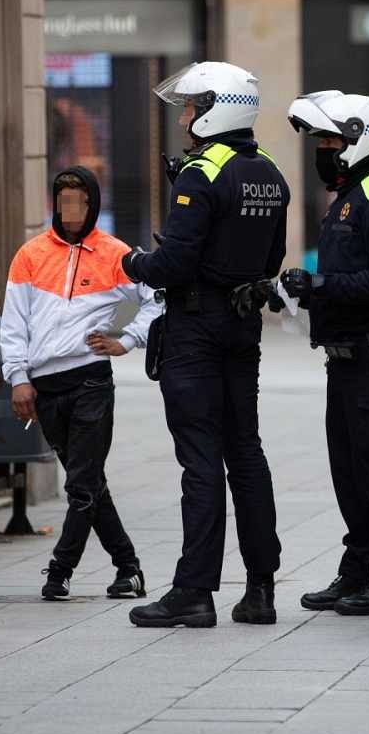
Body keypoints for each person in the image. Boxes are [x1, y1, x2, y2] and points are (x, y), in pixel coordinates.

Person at [120, 61, 290, 628]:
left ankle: (194, 591)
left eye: (191, 107)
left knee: (200, 460)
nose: (185, 118)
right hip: (243, 327)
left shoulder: (201, 173)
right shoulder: (269, 171)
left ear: (218, 110)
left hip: (196, 328)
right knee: (246, 452)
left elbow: (173, 264)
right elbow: (270, 261)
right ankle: (261, 590)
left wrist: (133, 261)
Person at [282, 91, 369, 617]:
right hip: (343, 358)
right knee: (347, 471)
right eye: (321, 141)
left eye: (332, 140)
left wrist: (320, 284)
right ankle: (357, 568)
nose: (324, 150)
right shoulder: (347, 195)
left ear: (363, 139)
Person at [0, 166, 160, 602]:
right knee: (89, 484)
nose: (71, 210)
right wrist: (18, 378)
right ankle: (128, 568)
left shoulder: (115, 252)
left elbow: (157, 299)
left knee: (81, 485)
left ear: (93, 204)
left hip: (91, 381)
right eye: (64, 200)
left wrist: (126, 340)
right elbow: (13, 324)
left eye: (80, 201)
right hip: (45, 386)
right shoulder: (30, 254)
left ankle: (60, 570)